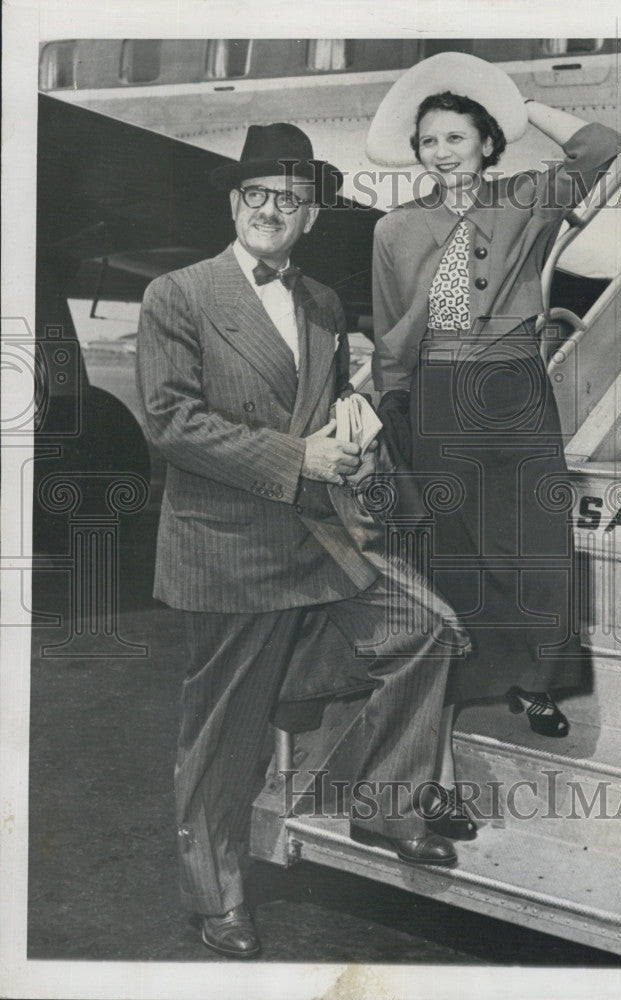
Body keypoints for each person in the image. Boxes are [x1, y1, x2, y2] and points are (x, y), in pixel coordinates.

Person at [136, 123, 467, 960]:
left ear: (311, 215)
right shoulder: (178, 294)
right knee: (224, 731)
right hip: (230, 547)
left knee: (423, 632)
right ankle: (217, 895)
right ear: (233, 202)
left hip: (318, 537)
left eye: (288, 200)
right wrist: (300, 455)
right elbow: (172, 422)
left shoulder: (321, 303)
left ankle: (385, 803)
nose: (270, 212)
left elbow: (322, 416)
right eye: (256, 196)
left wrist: (349, 449)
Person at [367, 54, 621, 810]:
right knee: (457, 556)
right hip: (438, 396)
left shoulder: (527, 197)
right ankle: (455, 710)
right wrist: (394, 406)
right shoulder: (395, 228)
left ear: (486, 142)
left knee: (538, 547)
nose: (442, 153)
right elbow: (390, 332)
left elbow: (602, 144)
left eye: (457, 137)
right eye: (429, 142)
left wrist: (524, 102)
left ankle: (537, 681)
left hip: (516, 392)